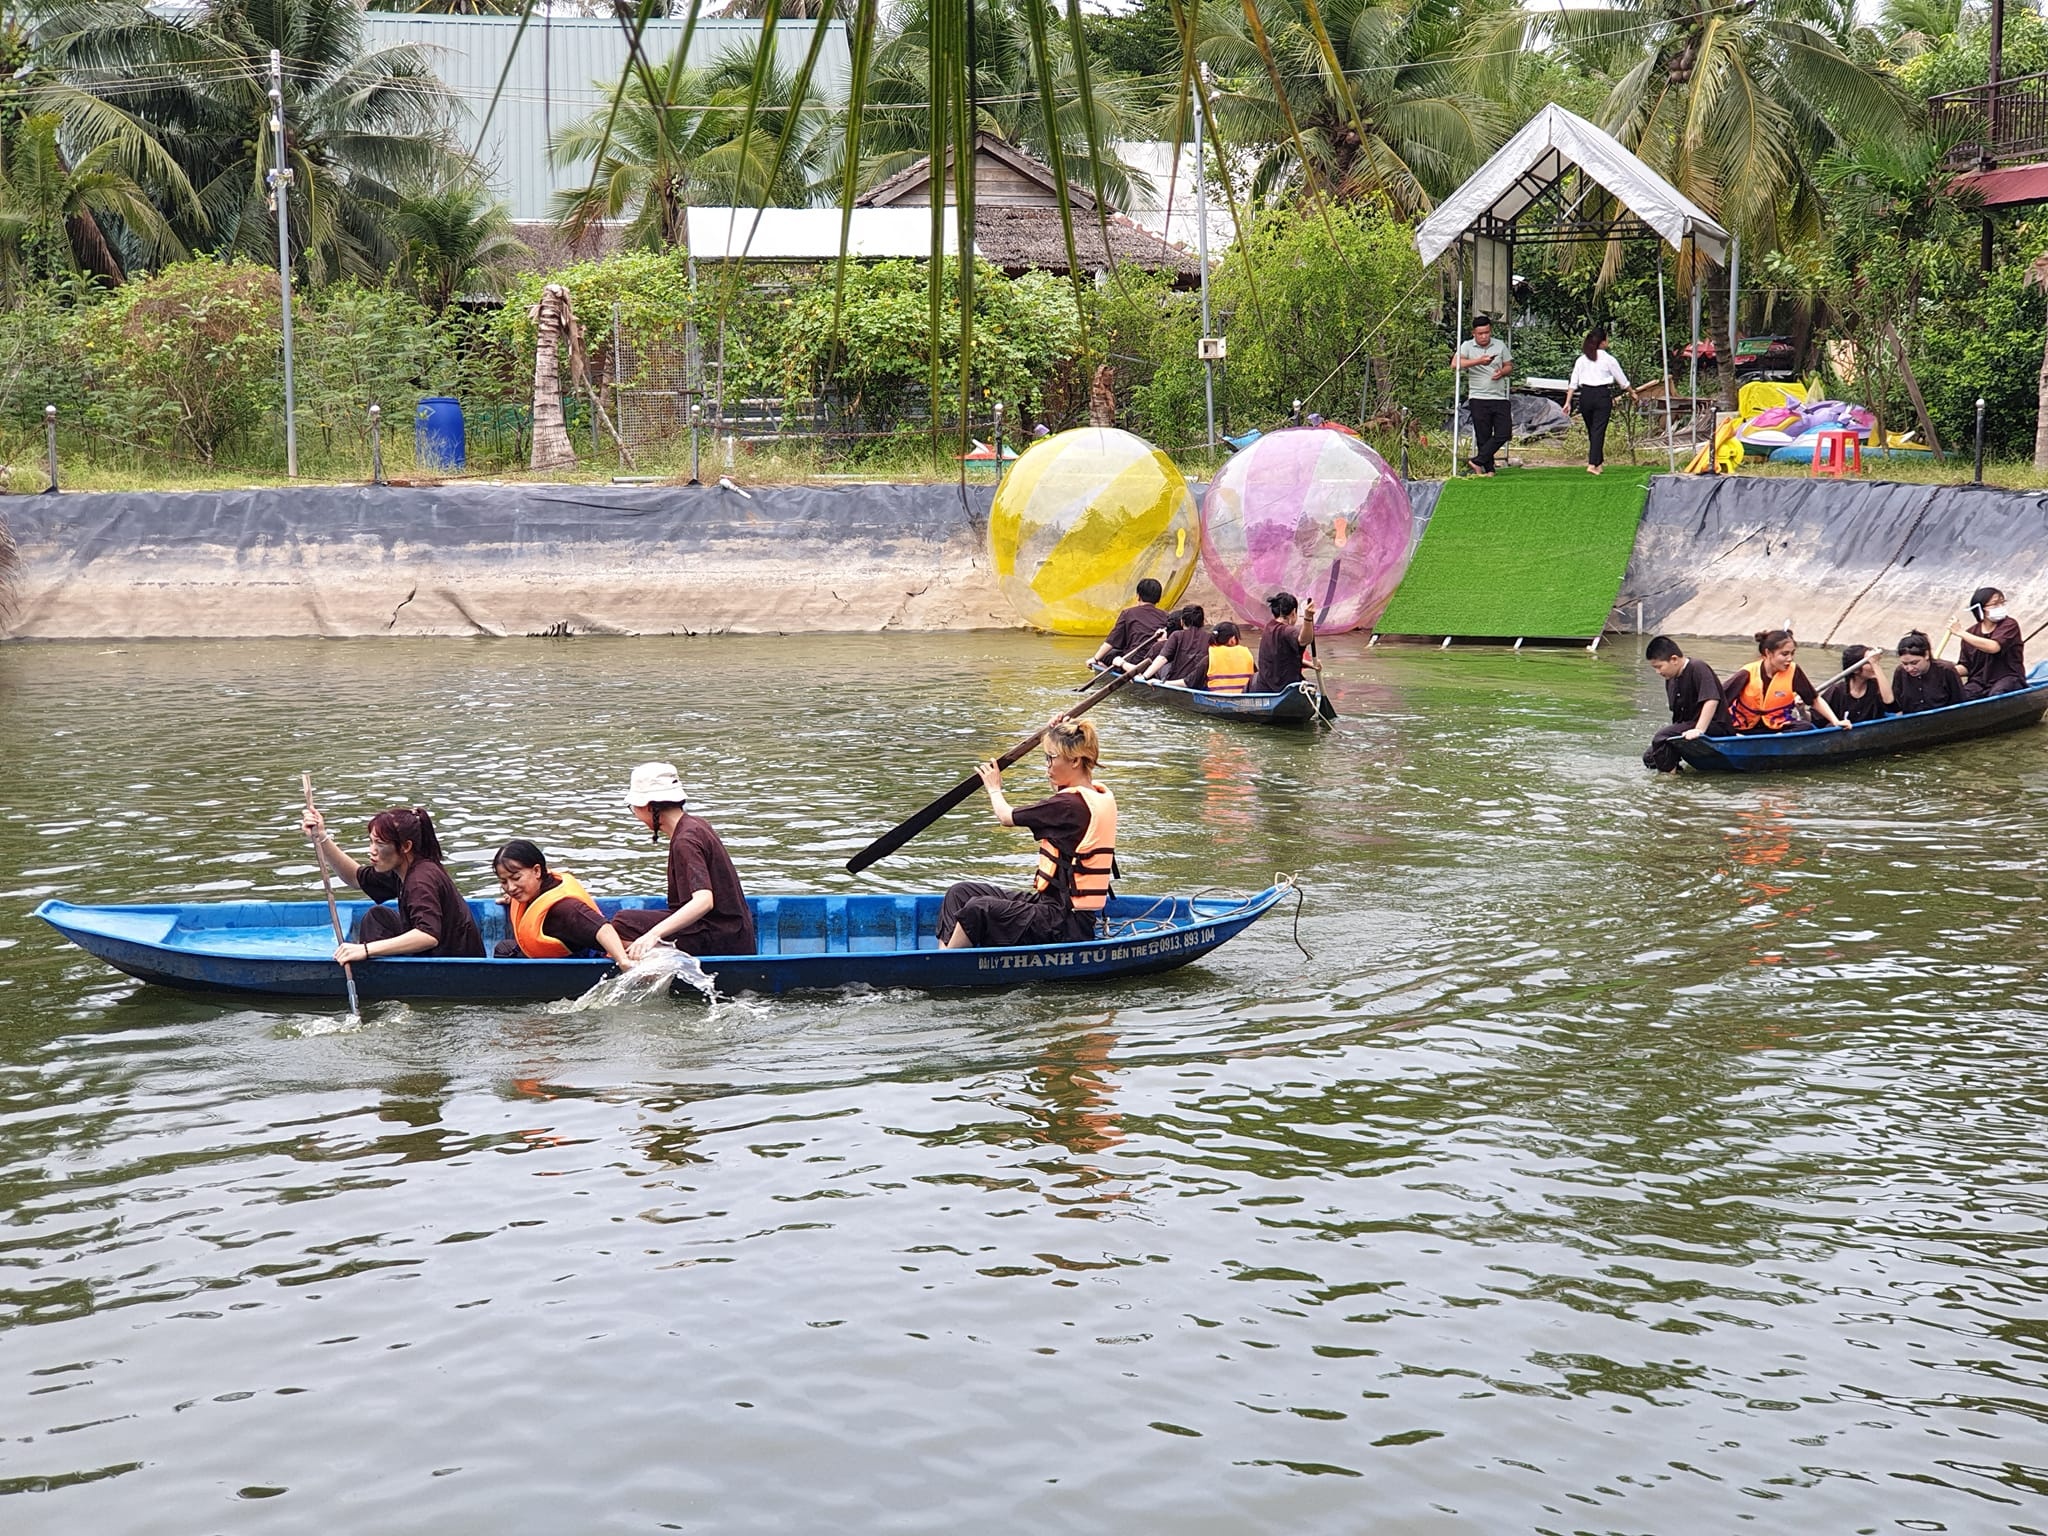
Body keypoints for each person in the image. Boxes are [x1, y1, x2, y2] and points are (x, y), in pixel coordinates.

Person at [938, 715, 1116, 949]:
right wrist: (1054, 732)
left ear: (1074, 761)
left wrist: (993, 788)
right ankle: (946, 955)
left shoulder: (1067, 806)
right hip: (1050, 905)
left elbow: (1006, 817)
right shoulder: (1091, 794)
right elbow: (1059, 785)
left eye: (1051, 758)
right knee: (960, 893)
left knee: (977, 908)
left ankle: (948, 965)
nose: (1047, 766)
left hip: (1065, 923)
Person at [300, 802, 485, 963]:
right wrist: (321, 838)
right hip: (435, 949)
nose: (371, 851)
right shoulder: (400, 869)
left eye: (379, 843)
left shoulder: (420, 880)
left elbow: (428, 935)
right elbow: (355, 878)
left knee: (375, 934)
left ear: (406, 846)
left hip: (450, 960)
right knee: (378, 917)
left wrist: (365, 950)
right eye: (371, 842)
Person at [610, 762, 757, 960]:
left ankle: (659, 962)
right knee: (628, 923)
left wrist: (652, 934)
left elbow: (704, 901)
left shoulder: (685, 840)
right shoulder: (696, 824)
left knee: (623, 924)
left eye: (633, 808)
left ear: (648, 806)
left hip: (721, 938)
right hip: (734, 933)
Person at [490, 839, 630, 966]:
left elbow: (604, 929)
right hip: (550, 954)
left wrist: (623, 962)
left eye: (516, 878)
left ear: (537, 871)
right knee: (504, 949)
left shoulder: (565, 908)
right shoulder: (537, 889)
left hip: (579, 961)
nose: (510, 887)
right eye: (504, 882)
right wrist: (514, 899)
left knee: (504, 951)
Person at [1722, 628, 1852, 733]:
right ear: (1768, 653)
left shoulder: (1793, 671)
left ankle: (1777, 739)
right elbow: (1720, 701)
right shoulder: (1747, 673)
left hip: (1778, 728)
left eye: (1792, 653)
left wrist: (1836, 722)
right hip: (1744, 728)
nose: (1790, 659)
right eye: (1784, 654)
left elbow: (1814, 699)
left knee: (1805, 727)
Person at [1641, 635, 1723, 771]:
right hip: (1687, 727)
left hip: (1712, 726)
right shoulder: (1671, 678)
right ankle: (1677, 774)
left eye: (1659, 666)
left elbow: (1711, 699)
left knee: (1661, 737)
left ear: (1674, 659)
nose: (1657, 672)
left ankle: (1669, 781)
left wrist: (1699, 729)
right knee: (1650, 757)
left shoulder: (1698, 667)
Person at [1452, 312, 1513, 476]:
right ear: (1474, 333)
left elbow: (1509, 366)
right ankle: (1488, 468)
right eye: (1480, 334)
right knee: (1483, 435)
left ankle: (1477, 460)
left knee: (1504, 433)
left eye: (1487, 332)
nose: (1484, 336)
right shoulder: (1467, 346)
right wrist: (1479, 361)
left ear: (1490, 331)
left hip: (1499, 397)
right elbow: (1455, 364)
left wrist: (1502, 372)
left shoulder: (1499, 345)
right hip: (1478, 397)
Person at [1563, 328, 1629, 476]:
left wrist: (1567, 402)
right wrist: (1632, 392)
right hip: (1601, 395)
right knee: (1598, 430)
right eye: (1607, 339)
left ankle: (1598, 463)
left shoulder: (1581, 359)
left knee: (1593, 430)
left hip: (1585, 396)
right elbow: (1622, 381)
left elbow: (1573, 383)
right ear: (1602, 342)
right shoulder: (1609, 359)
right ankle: (1592, 464)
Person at [1949, 586, 2027, 698]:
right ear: (1980, 609)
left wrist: (1960, 632)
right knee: (1961, 696)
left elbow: (1994, 647)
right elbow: (1966, 666)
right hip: (1979, 682)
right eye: (1995, 604)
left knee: (1997, 694)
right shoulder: (1971, 633)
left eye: (2002, 603)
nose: (2000, 607)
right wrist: (1945, 671)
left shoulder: (2009, 624)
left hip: (2008, 678)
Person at [1088, 578, 1169, 670]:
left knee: (1107, 655)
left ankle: (1108, 668)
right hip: (1155, 661)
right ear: (1158, 598)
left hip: (1133, 660)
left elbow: (1111, 642)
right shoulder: (1166, 616)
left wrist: (1095, 658)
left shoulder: (1128, 613)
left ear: (1138, 596)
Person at [1251, 591, 1317, 693]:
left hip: (1264, 687)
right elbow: (1305, 640)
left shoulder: (1268, 628)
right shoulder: (1288, 631)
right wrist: (1308, 618)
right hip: (1285, 690)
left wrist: (1307, 664)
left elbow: (1279, 659)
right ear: (1293, 612)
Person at [1891, 629, 1966, 713]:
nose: (1910, 668)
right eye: (1905, 664)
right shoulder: (1900, 672)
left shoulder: (1946, 670)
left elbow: (1959, 701)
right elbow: (1896, 704)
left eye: (1914, 663)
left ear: (1926, 655)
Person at [1819, 644, 1893, 724]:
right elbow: (1816, 719)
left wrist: (1875, 665)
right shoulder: (1837, 690)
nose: (1874, 666)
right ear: (1856, 670)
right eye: (1869, 663)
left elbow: (1889, 700)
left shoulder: (1877, 687)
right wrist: (1803, 711)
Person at [1141, 604, 1210, 687]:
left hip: (1176, 681)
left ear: (1182, 621)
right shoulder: (1210, 638)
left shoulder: (1177, 635)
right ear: (1203, 622)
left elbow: (1162, 658)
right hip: (1199, 683)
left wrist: (1144, 677)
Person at [1207, 622, 1256, 694]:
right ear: (1232, 639)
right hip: (1244, 697)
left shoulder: (1209, 656)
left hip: (1217, 697)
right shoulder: (1246, 654)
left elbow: (1189, 682)